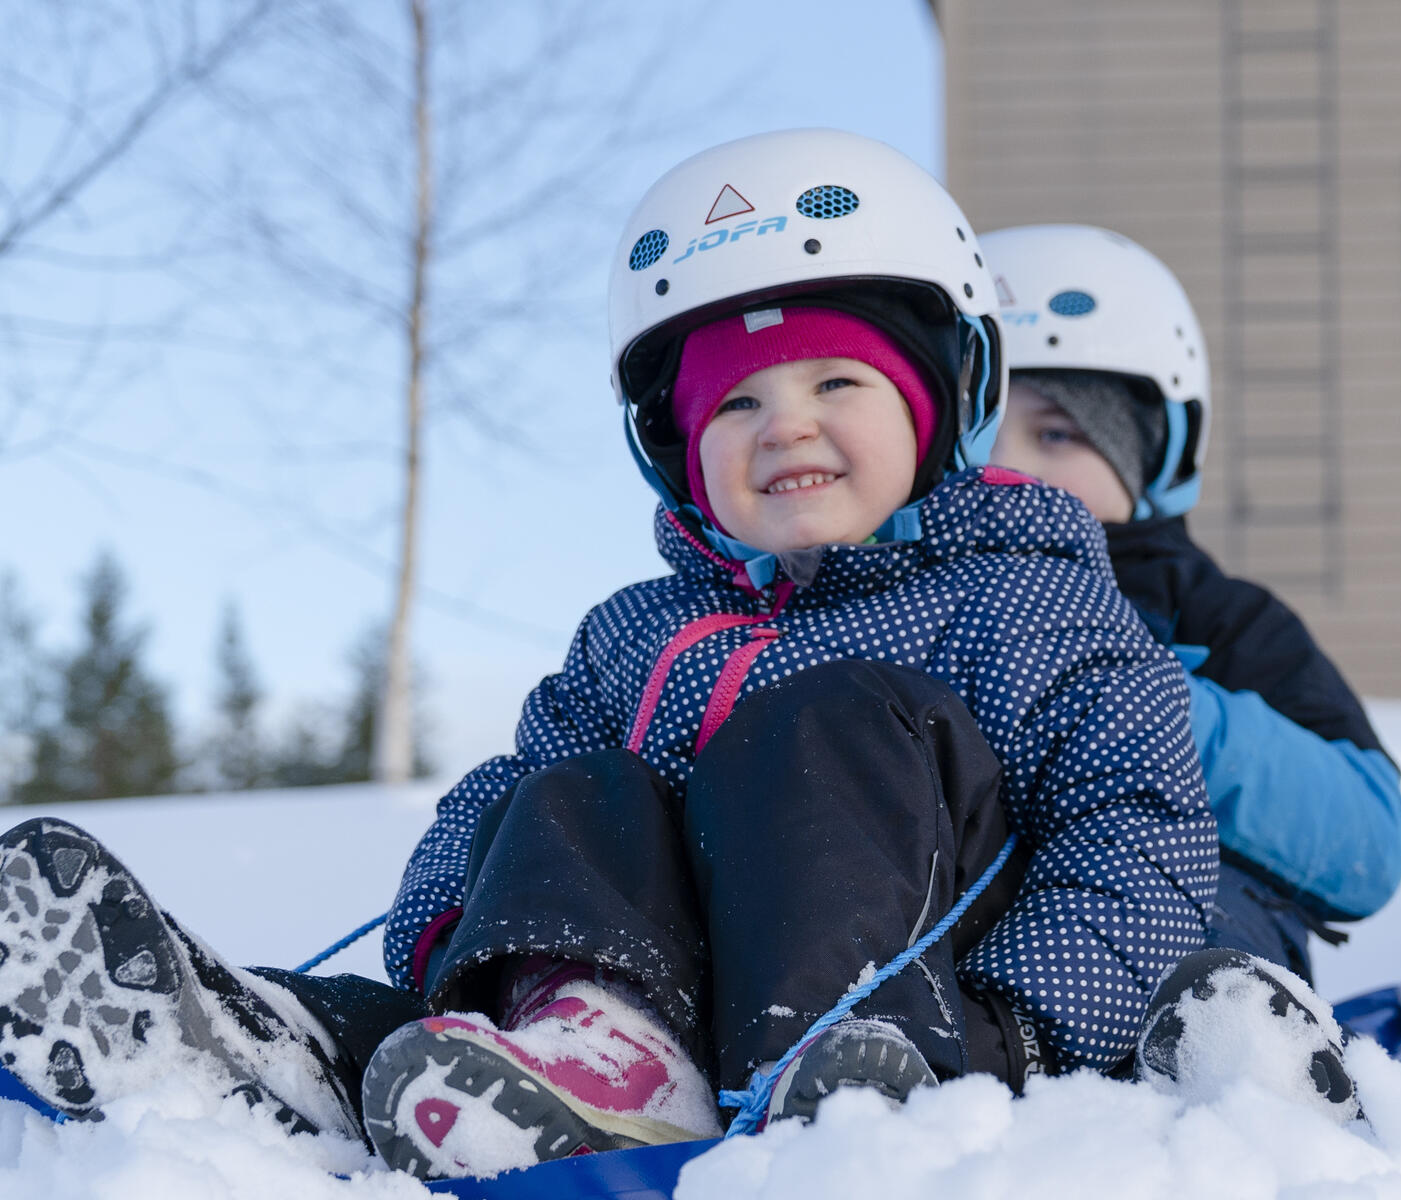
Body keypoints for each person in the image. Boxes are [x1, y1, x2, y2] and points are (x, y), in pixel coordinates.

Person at [0, 133, 1230, 1180]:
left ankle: (814, 1076)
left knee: (829, 723)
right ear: (676, 452)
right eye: (736, 404)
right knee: (582, 785)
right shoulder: (637, 635)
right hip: (646, 1014)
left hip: (919, 1031)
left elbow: (1139, 832)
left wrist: (1018, 1030)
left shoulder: (1028, 604)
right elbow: (505, 804)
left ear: (942, 405)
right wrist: (453, 943)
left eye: (835, 381)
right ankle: (273, 1050)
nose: (785, 425)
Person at [983, 224, 1401, 997]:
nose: (1007, 467)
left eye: (1056, 433)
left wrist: (1155, 709)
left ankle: (1227, 1031)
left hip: (1201, 918)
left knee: (1199, 919)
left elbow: (1369, 842)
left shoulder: (1218, 620)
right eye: (976, 435)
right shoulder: (891, 601)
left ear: (1155, 452)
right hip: (985, 931)